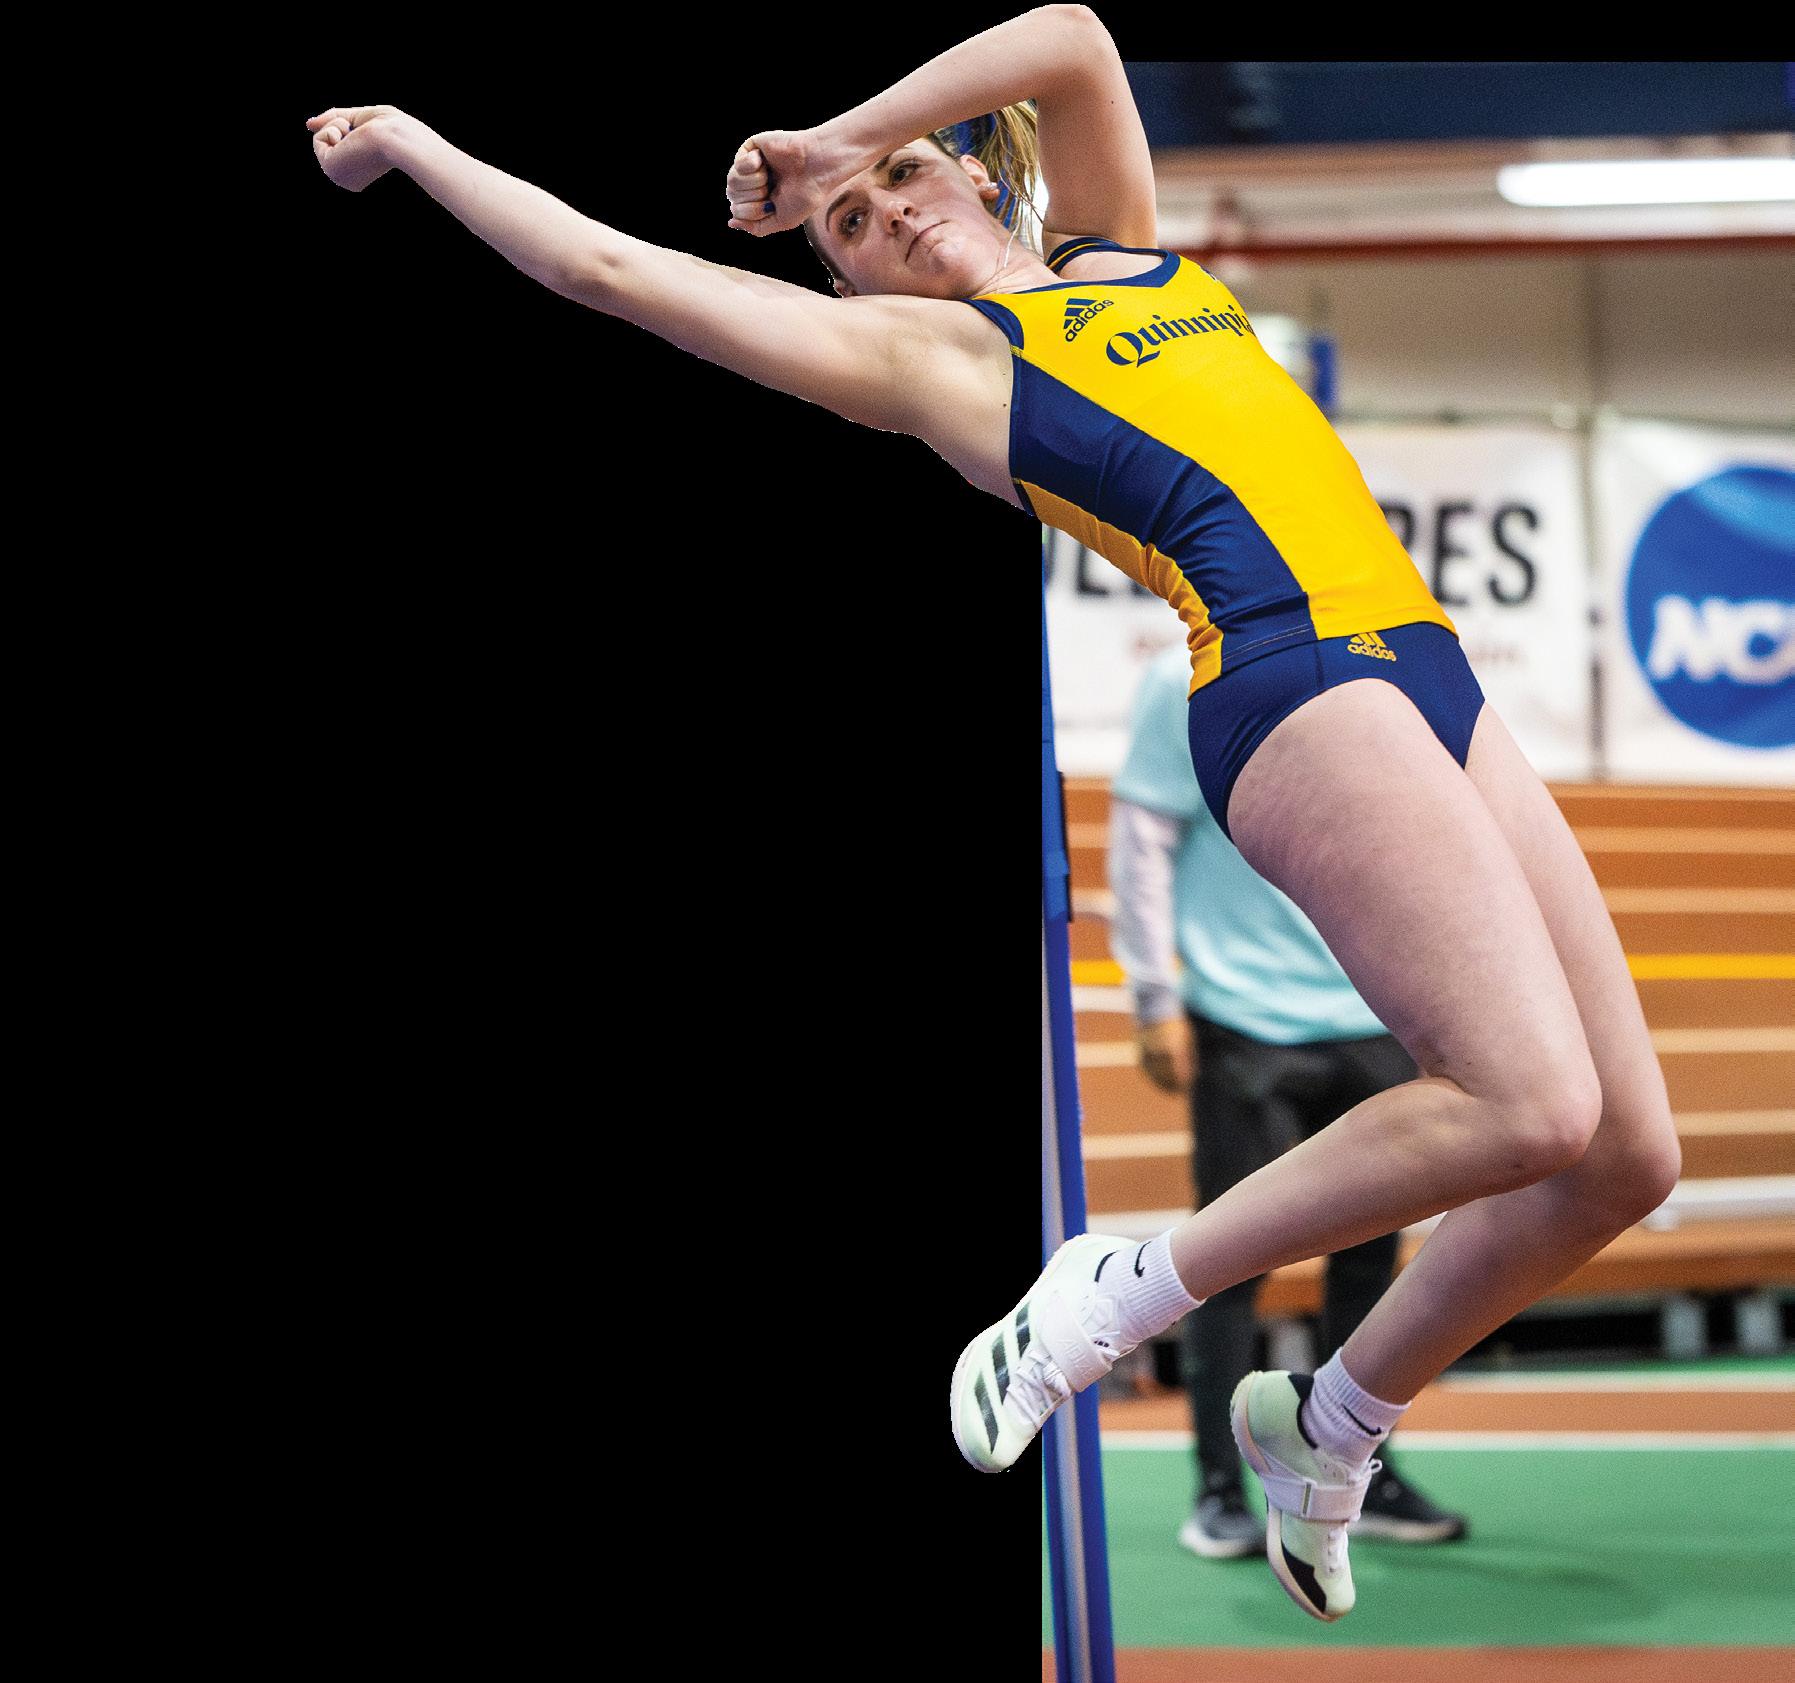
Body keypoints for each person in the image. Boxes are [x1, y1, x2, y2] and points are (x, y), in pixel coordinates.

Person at [308, 3, 1679, 1625]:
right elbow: (605, 269)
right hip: (1285, 674)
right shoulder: (934, 361)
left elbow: (1076, 39)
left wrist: (832, 138)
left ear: (969, 168)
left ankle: (1332, 1421)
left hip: (1425, 661)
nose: (882, 212)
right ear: (852, 288)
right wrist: (411, 145)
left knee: (1624, 1154)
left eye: (899, 176)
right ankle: (1122, 1285)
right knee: (1525, 1102)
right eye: (847, 228)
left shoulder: (1124, 258)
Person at [1108, 642, 1469, 1558]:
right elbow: (1143, 833)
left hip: (1375, 1009)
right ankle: (1219, 1489)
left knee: (1371, 1260)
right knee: (1225, 1260)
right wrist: (1153, 996)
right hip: (1244, 1014)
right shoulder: (1182, 679)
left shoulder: (1385, 661)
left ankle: (1355, 1468)